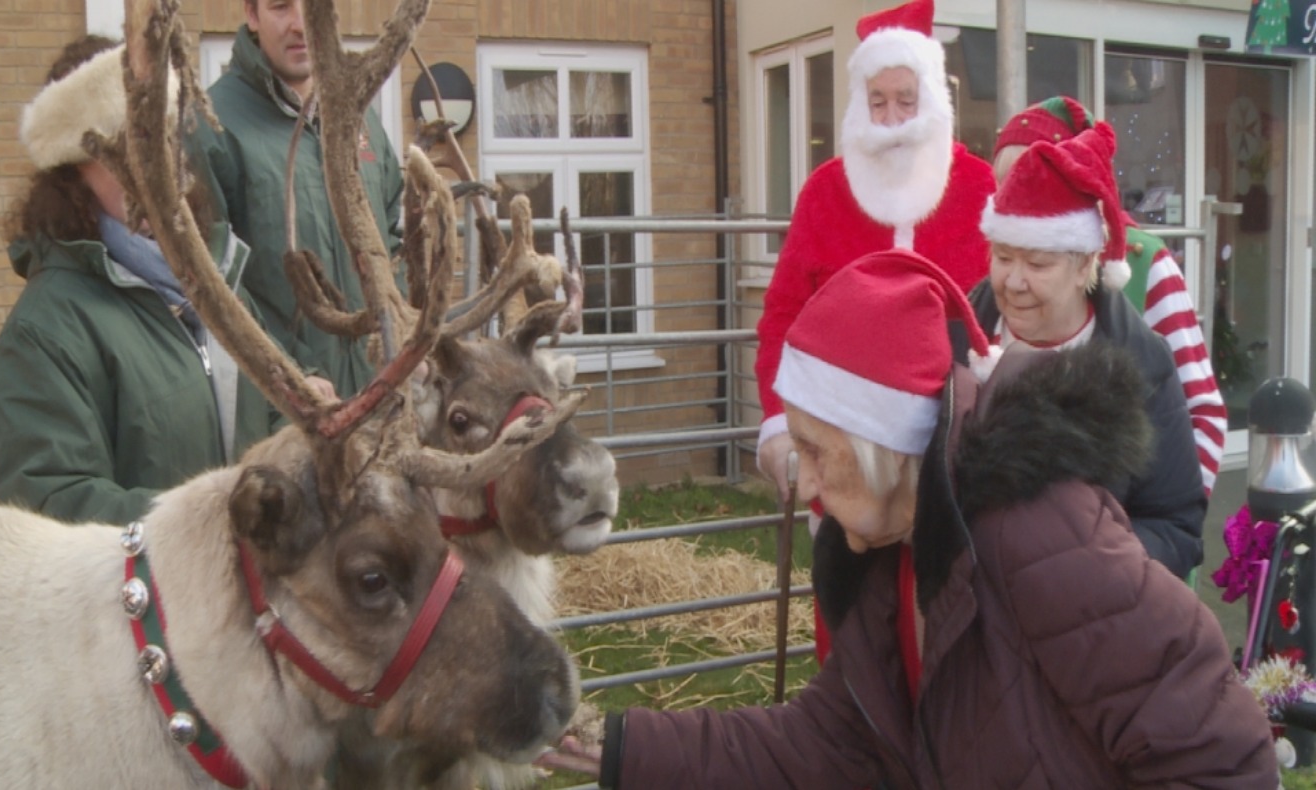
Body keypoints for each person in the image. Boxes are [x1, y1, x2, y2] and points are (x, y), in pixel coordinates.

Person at [538, 248, 1276, 787]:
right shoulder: (887, 551)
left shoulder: (1039, 530)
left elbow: (1223, 758)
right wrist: (621, 746)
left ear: (885, 446)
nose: (808, 481)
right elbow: (828, 739)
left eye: (819, 451)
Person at [0, 36, 282, 525]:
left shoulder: (220, 287)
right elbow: (54, 503)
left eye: (163, 137)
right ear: (73, 171)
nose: (154, 167)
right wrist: (218, 515)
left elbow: (272, 409)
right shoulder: (44, 335)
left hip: (243, 591)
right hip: (141, 599)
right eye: (122, 147)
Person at [754, 0, 996, 504]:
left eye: (906, 100)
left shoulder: (978, 189)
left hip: (954, 451)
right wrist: (778, 420)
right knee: (846, 578)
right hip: (841, 446)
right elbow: (782, 317)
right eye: (877, 101)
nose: (891, 121)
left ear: (931, 99)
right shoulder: (825, 193)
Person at [968, 122, 1207, 578]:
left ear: (1085, 266)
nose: (1014, 281)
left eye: (1038, 263)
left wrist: (1091, 569)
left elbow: (1176, 527)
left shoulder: (1144, 364)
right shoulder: (957, 337)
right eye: (1002, 256)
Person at [995, 95, 1227, 494]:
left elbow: (1202, 412)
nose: (1017, 196)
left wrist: (1156, 545)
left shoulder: (1146, 262)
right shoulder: (994, 278)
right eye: (1002, 183)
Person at [193, 0, 405, 399]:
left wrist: (405, 338)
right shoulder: (213, 126)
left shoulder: (360, 119)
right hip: (287, 409)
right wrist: (288, 370)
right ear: (252, 15)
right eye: (281, 7)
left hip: (382, 389)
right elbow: (214, 278)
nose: (300, 25)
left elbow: (393, 241)